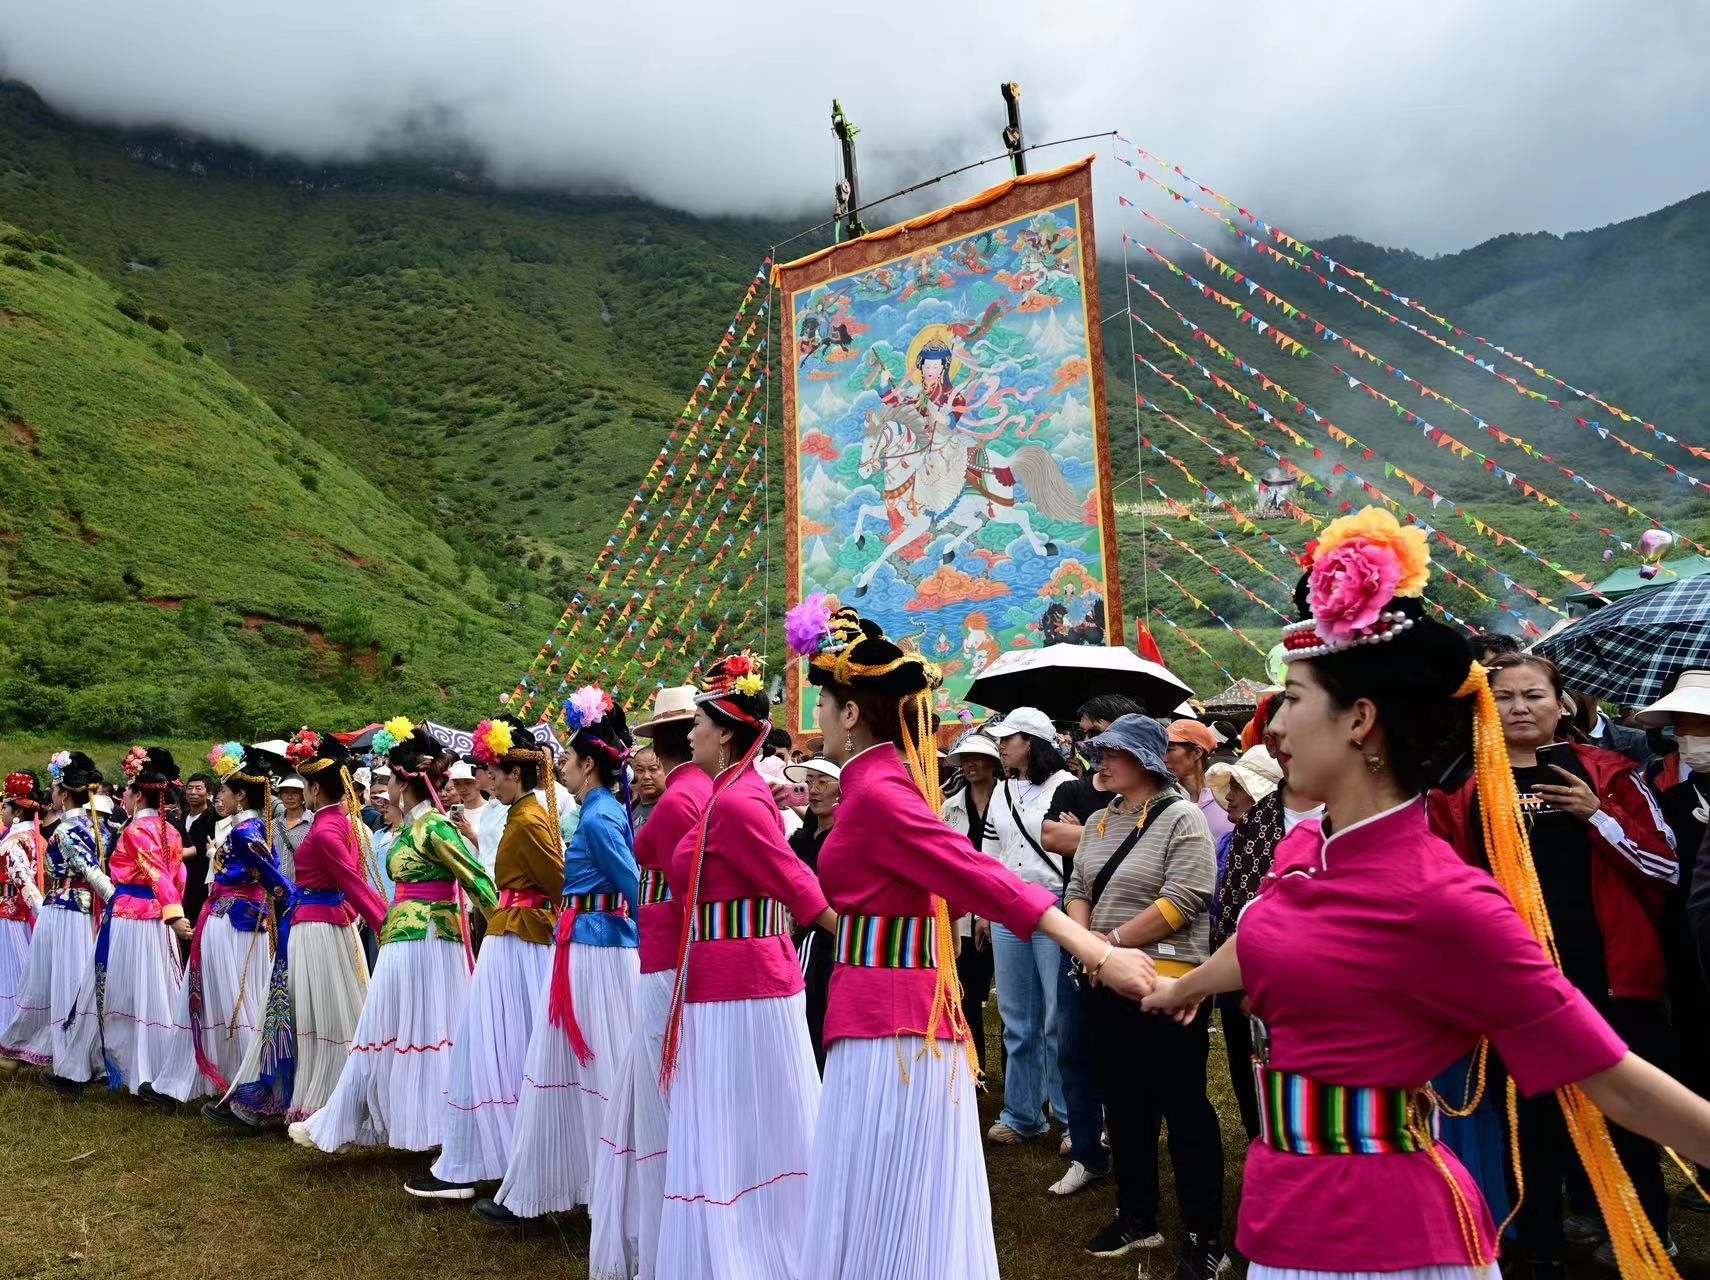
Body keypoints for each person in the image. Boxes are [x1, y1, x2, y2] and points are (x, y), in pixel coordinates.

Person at [1145, 506, 1710, 1280]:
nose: (1271, 727)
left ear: (1360, 721)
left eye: (1294, 700)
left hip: (1388, 1237)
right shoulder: (1311, 843)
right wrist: (1177, 983)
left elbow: (1617, 1083)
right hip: (1282, 1212)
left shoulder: (1441, 899)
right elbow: (1271, 932)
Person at [788, 603, 1155, 1280]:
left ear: (849, 713)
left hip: (891, 1028)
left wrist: (1096, 950)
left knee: (883, 1193)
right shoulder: (883, 786)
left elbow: (982, 877)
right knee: (879, 1192)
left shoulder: (877, 793)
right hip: (880, 1011)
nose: (815, 719)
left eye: (823, 702)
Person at [1432, 653, 1678, 1266]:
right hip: (1516, 989)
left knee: (1628, 1114)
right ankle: (1537, 1247)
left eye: (1533, 695)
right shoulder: (1463, 786)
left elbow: (1666, 865)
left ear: (1560, 703)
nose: (1519, 707)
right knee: (1529, 1120)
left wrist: (1598, 816)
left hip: (1608, 980)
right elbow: (1444, 884)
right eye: (1505, 697)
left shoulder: (1611, 772)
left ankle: (1645, 1236)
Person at [652, 652, 831, 1280]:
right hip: (727, 977)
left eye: (698, 724)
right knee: (743, 1117)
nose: (690, 735)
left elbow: (789, 876)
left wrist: (845, 930)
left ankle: (749, 1242)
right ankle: (746, 1235)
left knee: (740, 1120)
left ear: (724, 733)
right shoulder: (730, 793)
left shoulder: (737, 801)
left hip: (741, 983)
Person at [290, 728, 497, 1155]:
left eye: (391, 781)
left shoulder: (435, 827)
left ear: (405, 784)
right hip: (402, 940)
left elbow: (476, 879)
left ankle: (434, 1125)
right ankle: (363, 1117)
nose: (386, 788)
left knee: (427, 1027)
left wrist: (504, 926)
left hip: (431, 942)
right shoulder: (410, 827)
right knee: (384, 1026)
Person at [1064, 714, 1222, 1264]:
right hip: (1105, 980)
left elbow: (1188, 896)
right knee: (1123, 1101)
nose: (1100, 761)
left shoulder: (1181, 817)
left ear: (1145, 762)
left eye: (1112, 752)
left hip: (1169, 984)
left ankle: (1205, 1236)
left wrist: (1107, 943)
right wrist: (1088, 948)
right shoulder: (1103, 818)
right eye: (1099, 752)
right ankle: (1137, 1216)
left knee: (1182, 1106)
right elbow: (1079, 886)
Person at [481, 691, 640, 1226]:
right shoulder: (600, 811)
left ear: (588, 764)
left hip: (595, 953)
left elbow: (632, 886)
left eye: (567, 762)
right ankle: (550, 1185)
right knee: (567, 1064)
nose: (562, 771)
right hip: (581, 948)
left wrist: (649, 940)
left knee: (592, 1063)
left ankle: (594, 1189)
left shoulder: (597, 819)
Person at [403, 715, 562, 1200]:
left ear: (515, 773)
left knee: (495, 1042)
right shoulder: (519, 814)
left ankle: (481, 1159)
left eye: (492, 772)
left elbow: (559, 882)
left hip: (519, 940)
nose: (485, 780)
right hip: (509, 934)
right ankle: (486, 1153)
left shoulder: (530, 818)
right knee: (495, 1044)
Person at [590, 682, 713, 1280]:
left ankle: (663, 1230)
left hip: (668, 960)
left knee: (661, 1087)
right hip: (663, 954)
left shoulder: (680, 802)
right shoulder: (690, 795)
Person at [226, 731, 387, 1123]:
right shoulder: (338, 824)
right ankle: (293, 1092)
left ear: (314, 787)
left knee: (314, 1014)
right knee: (303, 1009)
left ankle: (318, 1095)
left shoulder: (328, 829)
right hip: (314, 923)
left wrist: (385, 922)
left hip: (314, 929)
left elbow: (352, 880)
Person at [153, 743, 291, 1117]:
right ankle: (205, 1078)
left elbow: (274, 878)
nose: (218, 798)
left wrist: (291, 901)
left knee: (235, 1001)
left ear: (241, 794)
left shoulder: (247, 831)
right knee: (220, 999)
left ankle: (249, 1088)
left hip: (236, 924)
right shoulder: (246, 828)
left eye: (224, 792)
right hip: (228, 920)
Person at [58, 747, 192, 1098]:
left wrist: (173, 913)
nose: (125, 799)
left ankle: (84, 1069)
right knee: (154, 993)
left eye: (128, 793)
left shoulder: (136, 832)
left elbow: (156, 872)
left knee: (103, 988)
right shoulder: (171, 832)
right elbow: (177, 875)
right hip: (155, 919)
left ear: (137, 795)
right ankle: (149, 1069)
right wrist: (171, 911)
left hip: (130, 919)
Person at [1206, 735, 1309, 1143]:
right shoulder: (1243, 832)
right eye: (1230, 788)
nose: (1229, 798)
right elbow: (1229, 903)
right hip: (1238, 970)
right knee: (1245, 1069)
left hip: (1279, 977)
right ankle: (1260, 1142)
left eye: (1239, 788)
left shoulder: (1289, 830)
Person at [981, 705, 1076, 1146]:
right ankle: (1021, 1112)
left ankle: (1071, 1114)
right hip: (1007, 907)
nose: (1000, 746)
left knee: (1060, 1016)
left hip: (1055, 906)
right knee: (1017, 1017)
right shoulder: (1000, 791)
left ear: (1032, 744)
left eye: (1008, 739)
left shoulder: (1067, 787)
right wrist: (986, 908)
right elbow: (990, 853)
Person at [1637, 669, 1710, 1206]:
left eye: (1702, 724)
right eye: (1684, 724)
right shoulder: (1662, 790)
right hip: (1683, 939)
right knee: (1695, 1043)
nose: (1693, 735)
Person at [3, 754, 113, 1075]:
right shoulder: (101, 827)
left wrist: (114, 899)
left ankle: (67, 1060)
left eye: (53, 788)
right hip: (85, 910)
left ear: (64, 793)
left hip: (63, 911)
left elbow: (90, 870)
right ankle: (78, 1054)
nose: (50, 795)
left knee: (60, 981)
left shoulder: (66, 831)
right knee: (78, 979)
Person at [941, 732, 999, 1076]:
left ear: (993, 762)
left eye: (978, 758)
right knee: (965, 993)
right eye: (965, 759)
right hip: (963, 914)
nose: (971, 764)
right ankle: (972, 1068)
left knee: (1008, 1000)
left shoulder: (1009, 802)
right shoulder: (950, 807)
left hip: (997, 908)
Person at [785, 756, 841, 1069]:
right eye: (810, 781)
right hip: (807, 941)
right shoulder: (800, 840)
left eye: (823, 782)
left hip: (839, 940)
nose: (815, 789)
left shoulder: (846, 839)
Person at [0, 773, 47, 1045]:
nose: (2, 812)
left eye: (5, 806)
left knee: (11, 975)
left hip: (11, 915)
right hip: (30, 915)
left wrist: (39, 912)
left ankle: (10, 1033)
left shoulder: (11, 843)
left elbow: (23, 882)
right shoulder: (38, 839)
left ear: (17, 810)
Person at [1166, 720, 1233, 844]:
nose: (1163, 757)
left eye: (1169, 749)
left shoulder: (1227, 798)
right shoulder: (1160, 797)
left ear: (1197, 752)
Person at [179, 772, 218, 926]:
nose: (193, 792)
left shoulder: (214, 819)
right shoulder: (182, 817)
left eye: (198, 788)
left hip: (202, 880)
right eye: (189, 788)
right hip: (182, 878)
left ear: (208, 794)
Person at [277, 775, 311, 880]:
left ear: (303, 795)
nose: (289, 797)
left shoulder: (314, 823)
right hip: (277, 889)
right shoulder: (273, 824)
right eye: (286, 792)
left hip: (303, 889)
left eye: (295, 793)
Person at [631, 745, 667, 831]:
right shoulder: (632, 809)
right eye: (640, 770)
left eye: (653, 769)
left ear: (666, 770)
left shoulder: (671, 809)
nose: (646, 776)